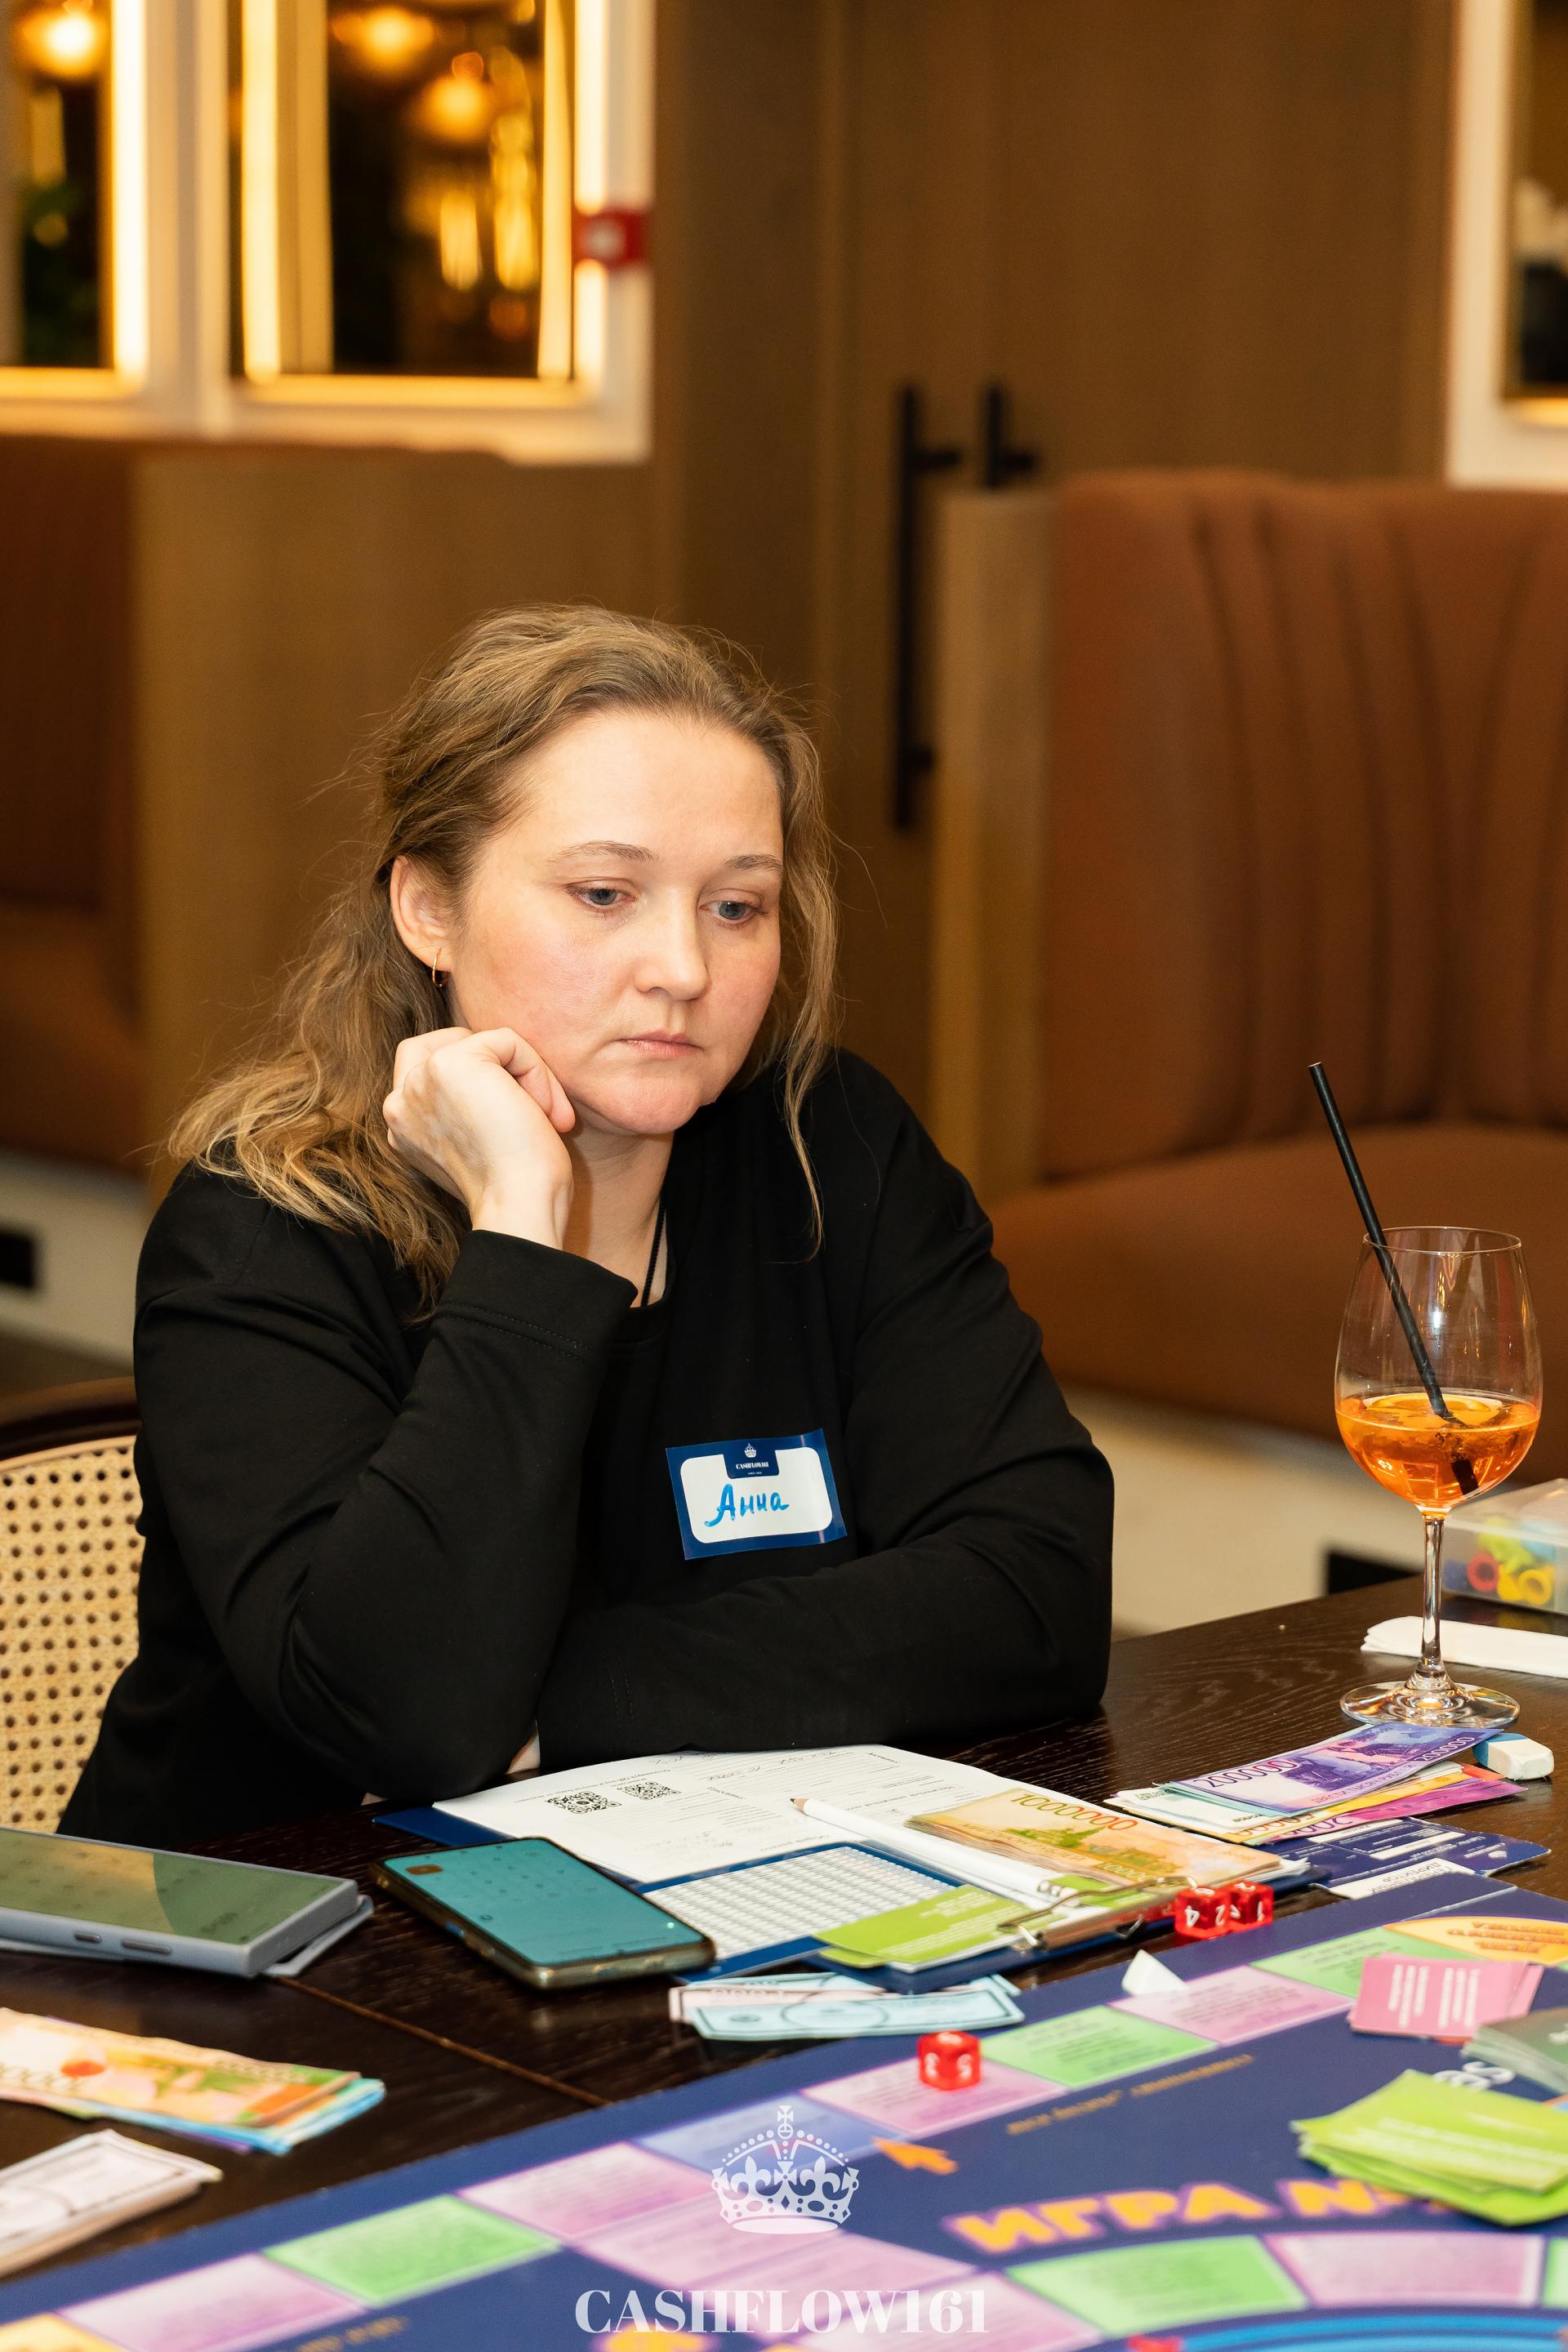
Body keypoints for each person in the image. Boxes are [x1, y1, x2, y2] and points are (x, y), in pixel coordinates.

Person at [64, 609, 1112, 1846]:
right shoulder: (263, 1228)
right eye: (605, 894)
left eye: (737, 907)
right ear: (428, 908)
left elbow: (1038, 1594)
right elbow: (402, 1714)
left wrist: (550, 1708)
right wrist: (520, 1228)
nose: (682, 967)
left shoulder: (829, 1143)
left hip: (707, 1889)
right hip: (280, 1927)